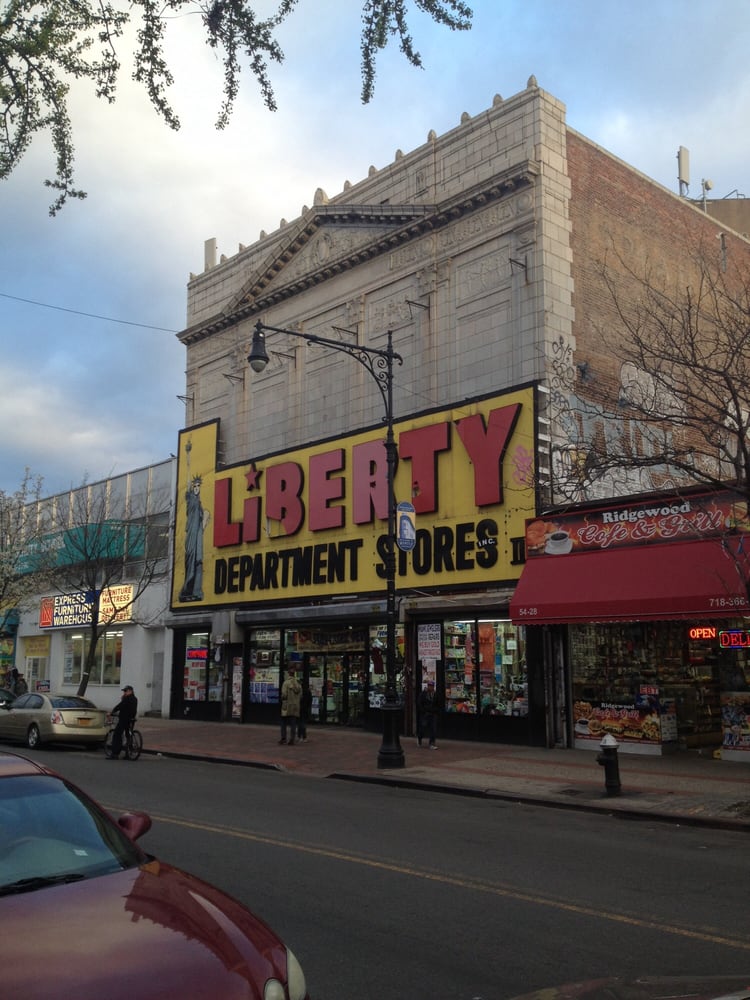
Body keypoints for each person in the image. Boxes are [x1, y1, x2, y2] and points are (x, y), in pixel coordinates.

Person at [107, 684, 138, 759]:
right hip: (131, 719)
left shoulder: (127, 698)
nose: (124, 693)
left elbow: (120, 706)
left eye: (125, 691)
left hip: (124, 719)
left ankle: (115, 754)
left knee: (117, 734)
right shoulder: (135, 698)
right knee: (128, 735)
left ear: (130, 691)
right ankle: (128, 753)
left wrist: (112, 712)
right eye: (124, 691)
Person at [279, 669, 302, 745]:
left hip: (287, 706)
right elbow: (300, 696)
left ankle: (283, 738)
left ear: (288, 674)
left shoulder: (286, 683)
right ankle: (292, 739)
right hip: (295, 706)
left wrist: (282, 698)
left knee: (283, 722)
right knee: (293, 723)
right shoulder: (298, 684)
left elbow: (284, 695)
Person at [417, 679, 439, 749]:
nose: (431, 687)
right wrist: (423, 711)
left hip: (433, 714)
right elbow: (419, 703)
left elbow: (438, 703)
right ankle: (419, 738)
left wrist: (435, 710)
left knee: (433, 729)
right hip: (425, 714)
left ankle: (432, 743)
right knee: (423, 728)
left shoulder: (435, 694)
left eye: (432, 686)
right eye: (429, 686)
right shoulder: (423, 694)